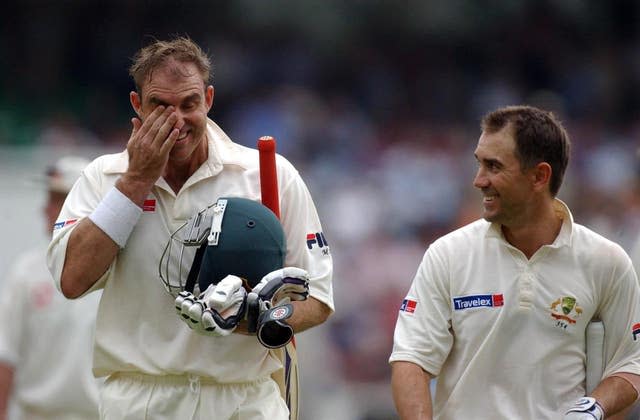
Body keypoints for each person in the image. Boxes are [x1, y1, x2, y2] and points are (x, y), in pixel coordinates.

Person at [46, 36, 334, 420]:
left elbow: (316, 298)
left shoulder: (268, 175)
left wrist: (255, 319)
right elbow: (72, 279)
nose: (177, 120)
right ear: (137, 105)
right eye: (160, 106)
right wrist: (135, 181)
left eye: (189, 104)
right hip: (140, 400)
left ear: (209, 99)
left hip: (243, 400)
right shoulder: (104, 176)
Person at [389, 105, 640, 419]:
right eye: (479, 164)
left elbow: (631, 364)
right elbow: (410, 360)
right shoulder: (447, 254)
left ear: (539, 176)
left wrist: (595, 407)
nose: (479, 181)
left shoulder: (607, 261)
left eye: (493, 167)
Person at [0, 156, 102, 420]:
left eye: (59, 200)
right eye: (50, 199)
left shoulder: (114, 270)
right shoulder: (26, 272)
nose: (46, 210)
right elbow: (5, 354)